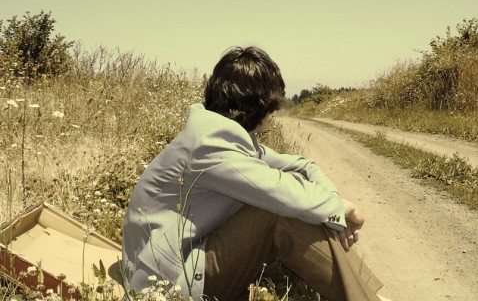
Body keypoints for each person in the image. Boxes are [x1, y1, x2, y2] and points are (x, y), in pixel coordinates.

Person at [121, 46, 385, 301]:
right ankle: (366, 297)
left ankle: (365, 294)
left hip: (189, 259)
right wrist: (340, 209)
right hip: (168, 285)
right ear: (260, 110)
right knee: (277, 211)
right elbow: (281, 193)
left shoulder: (217, 134)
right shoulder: (210, 145)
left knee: (300, 195)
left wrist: (334, 203)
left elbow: (303, 165)